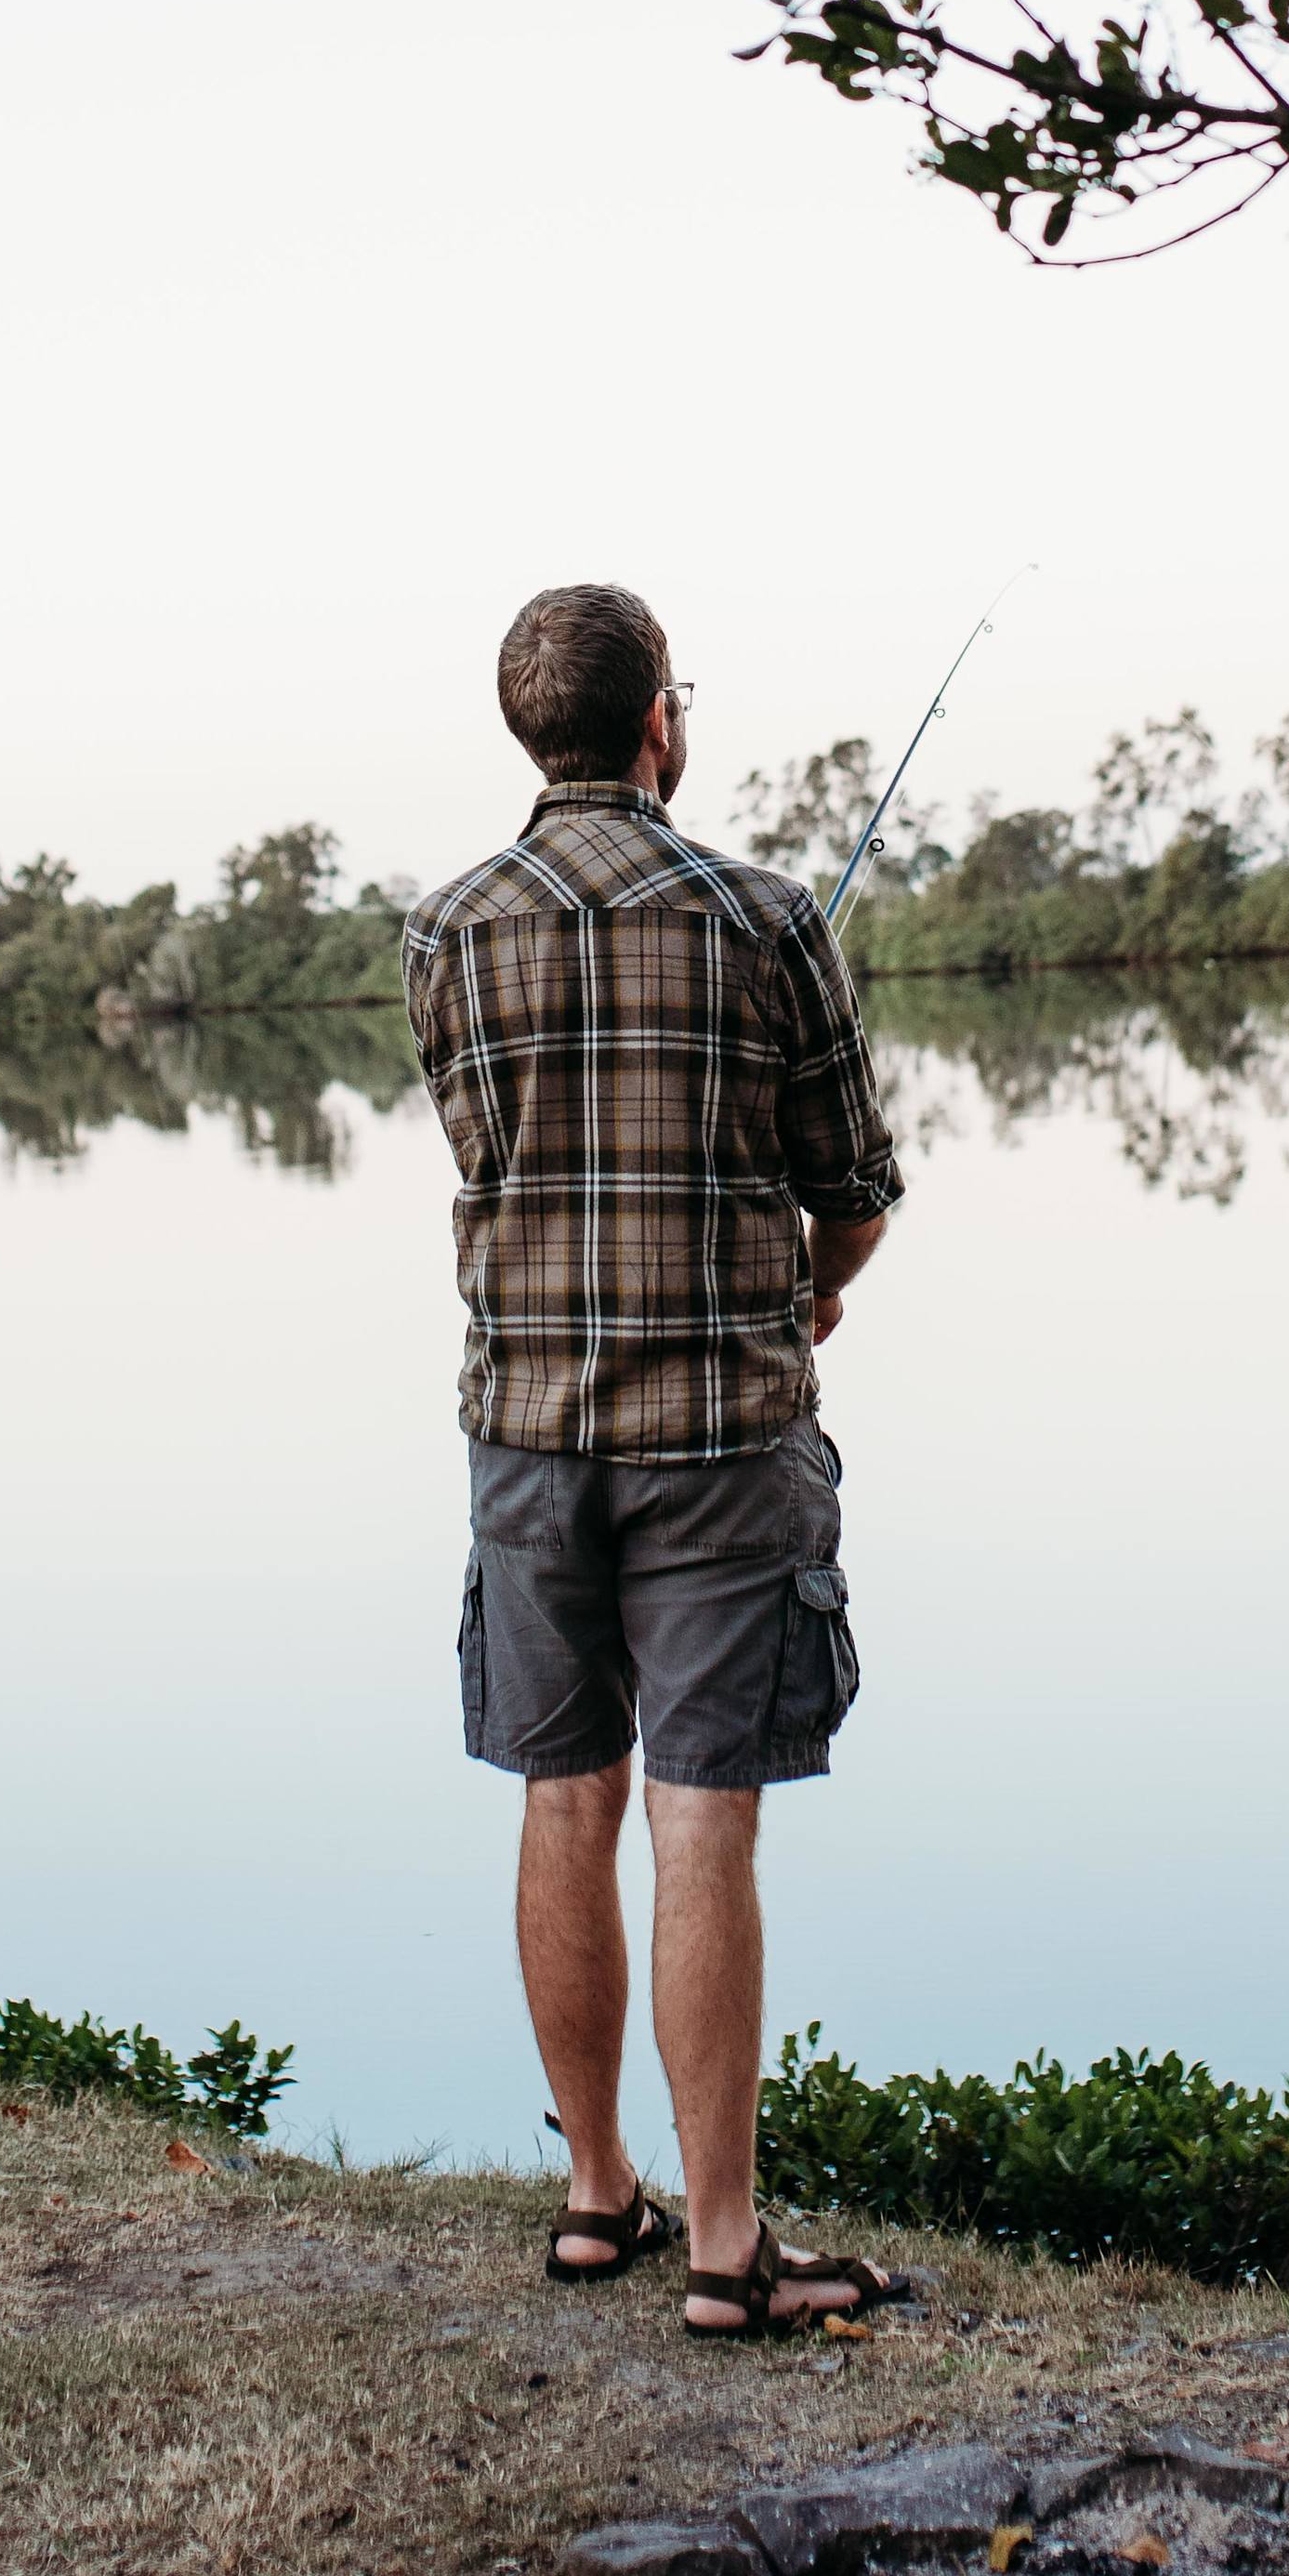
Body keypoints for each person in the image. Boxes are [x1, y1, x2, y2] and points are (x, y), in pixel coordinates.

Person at [403, 584, 914, 2337]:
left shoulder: (446, 935)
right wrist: (812, 1290)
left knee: (568, 1797)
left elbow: (491, 1160)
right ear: (657, 728)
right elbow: (854, 1190)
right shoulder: (767, 920)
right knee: (704, 1821)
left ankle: (590, 2193)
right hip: (721, 1436)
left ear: (529, 731)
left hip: (529, 1436)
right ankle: (721, 2247)